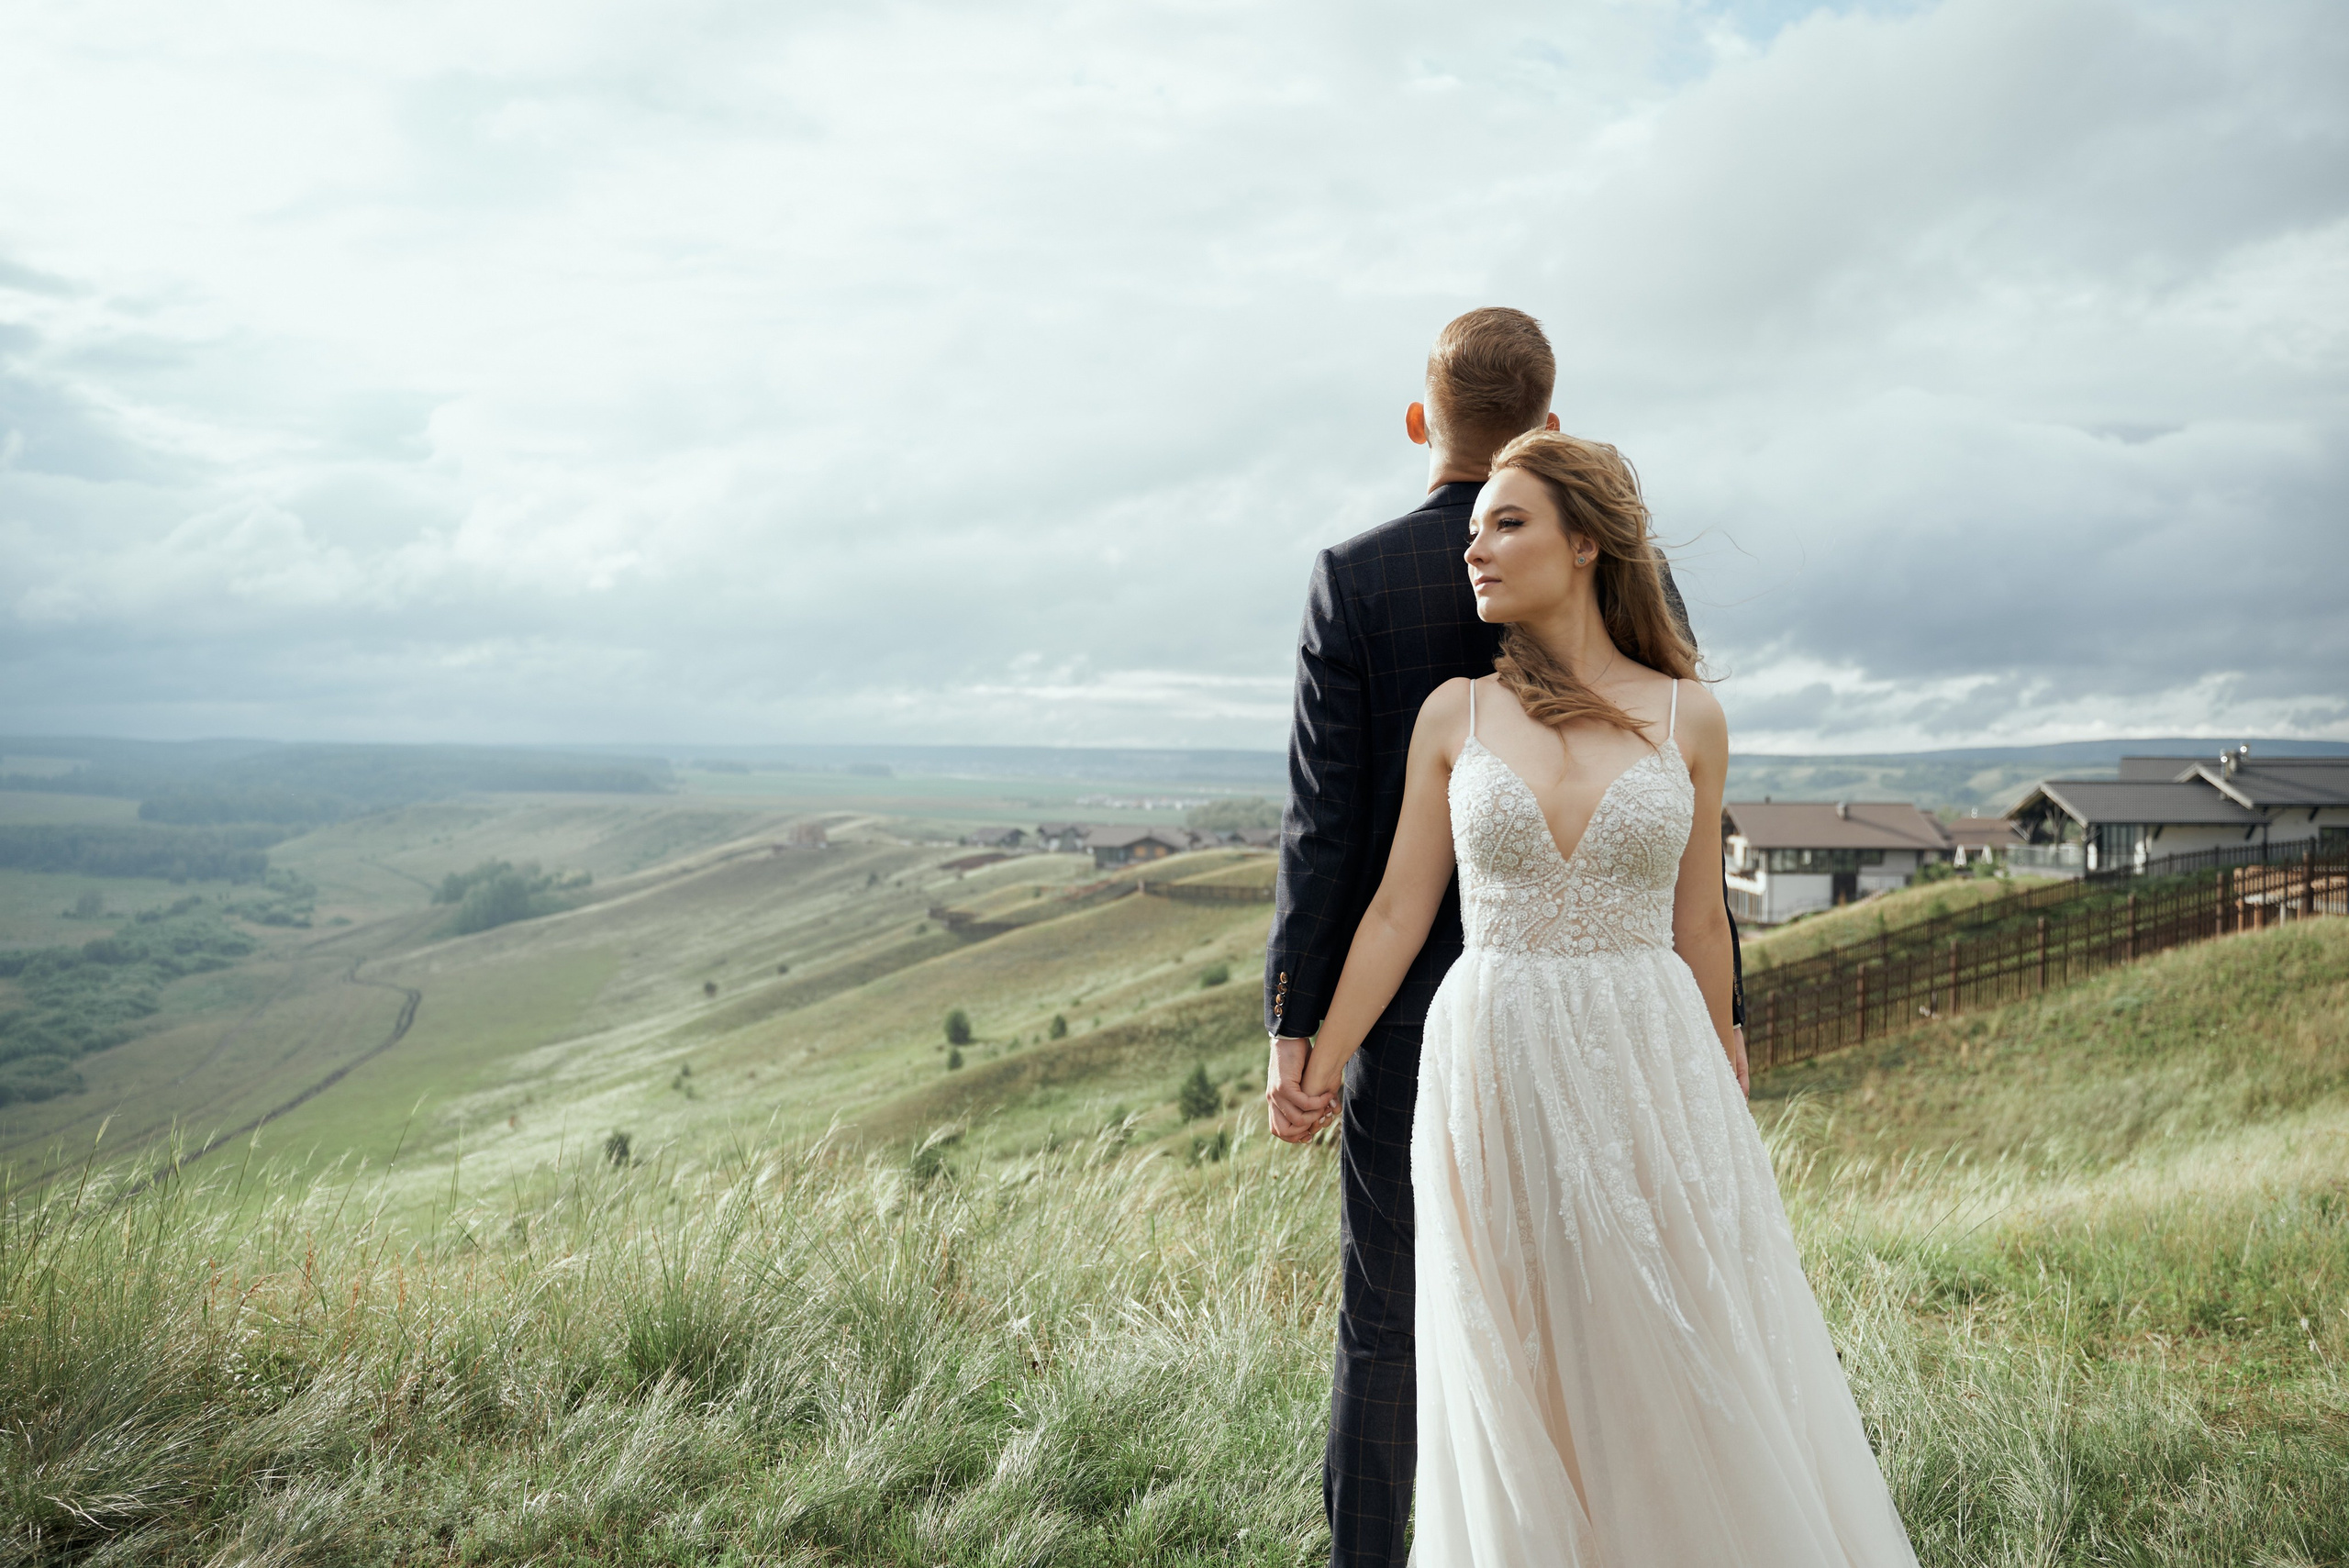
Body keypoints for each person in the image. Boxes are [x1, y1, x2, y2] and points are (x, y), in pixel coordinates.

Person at [1282, 429, 1919, 1562]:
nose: (1472, 548)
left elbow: (1698, 919)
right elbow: (1395, 912)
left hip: (1647, 1052)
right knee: (1511, 1345)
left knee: (1670, 1331)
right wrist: (1317, 1059)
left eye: (1506, 523)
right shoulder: (1454, 715)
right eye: (1471, 528)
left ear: (1585, 543)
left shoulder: (1689, 717)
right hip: (1488, 1056)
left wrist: (1724, 1057)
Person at [1263, 307, 1741, 1564]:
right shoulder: (1613, 570)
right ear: (1549, 416)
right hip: (1562, 1017)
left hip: (1420, 1023)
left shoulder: (1353, 578)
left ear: (1422, 420)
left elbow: (1323, 839)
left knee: (1386, 1322)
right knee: (1617, 1308)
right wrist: (1719, 1026)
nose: (1487, 552)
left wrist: (1297, 1031)